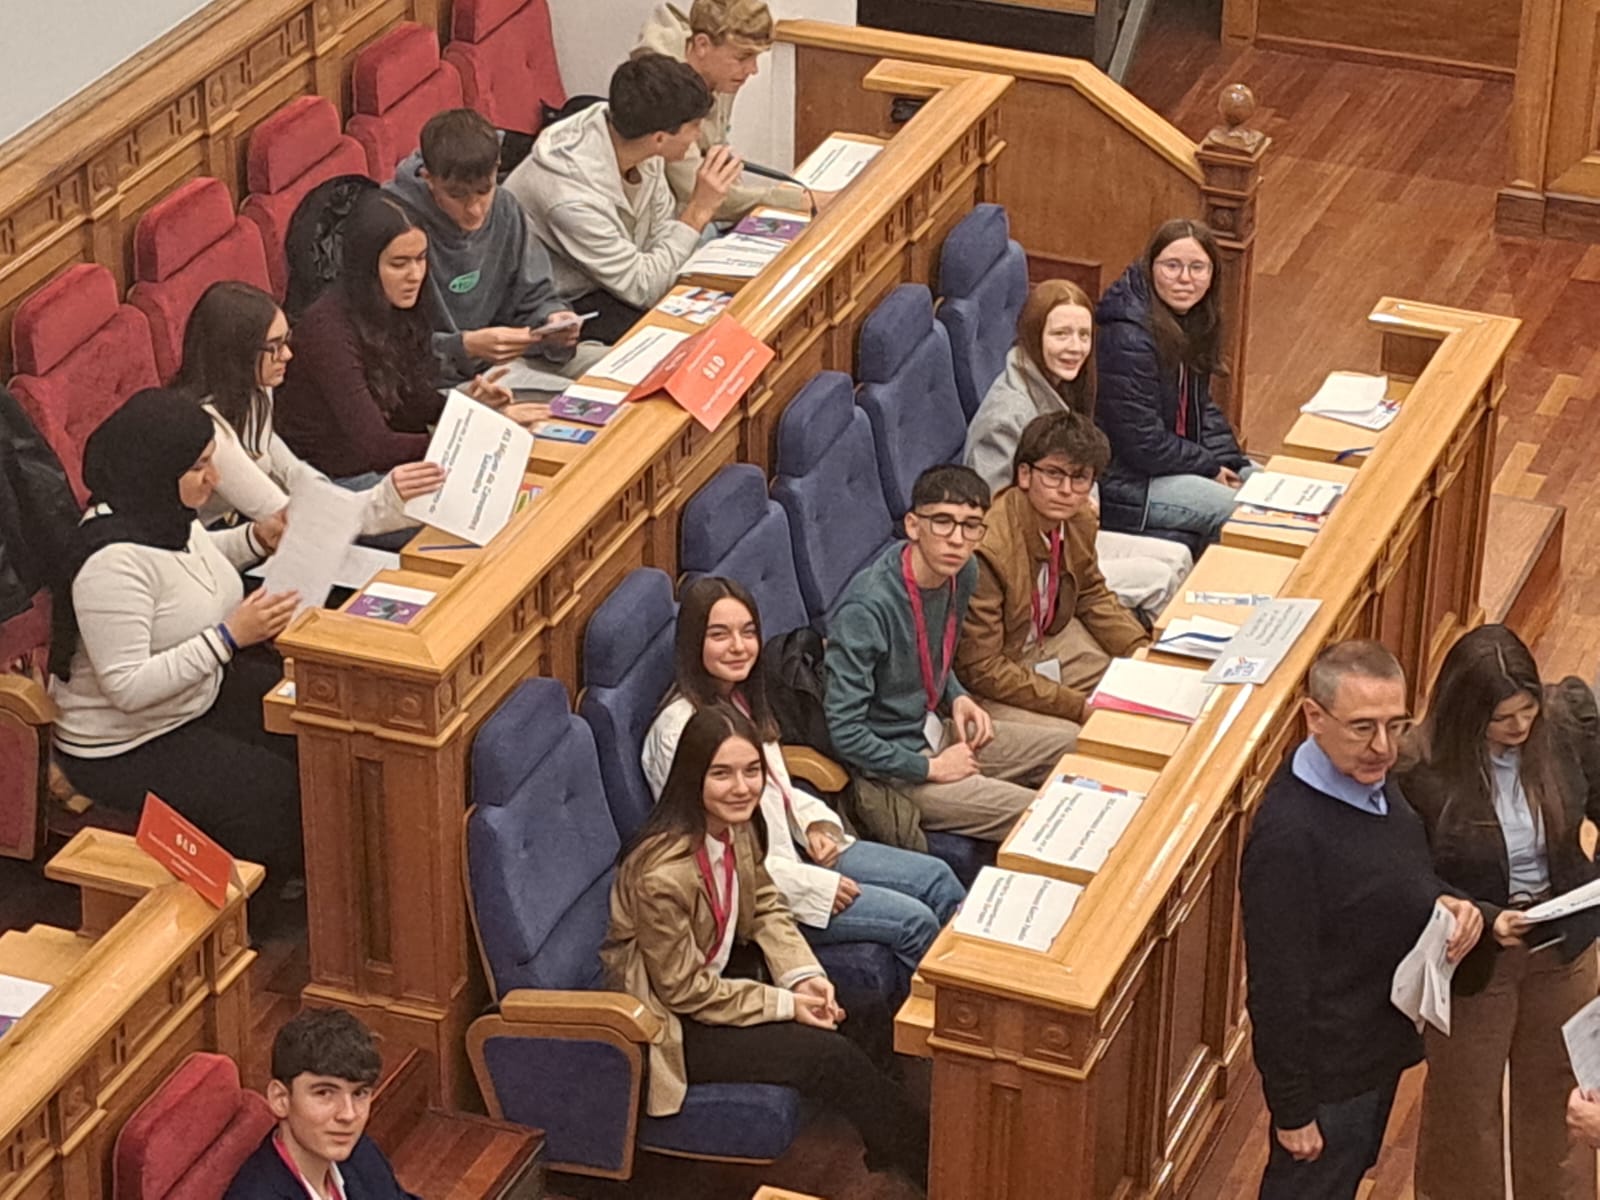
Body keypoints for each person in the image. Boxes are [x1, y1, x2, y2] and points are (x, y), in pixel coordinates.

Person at [602, 703, 929, 1187]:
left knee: (853, 1013)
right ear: (693, 777)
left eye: (752, 771)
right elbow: (684, 993)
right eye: (722, 774)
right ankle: (933, 1167)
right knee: (828, 1056)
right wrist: (785, 1004)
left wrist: (805, 976)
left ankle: (900, 1149)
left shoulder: (735, 827)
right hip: (671, 1022)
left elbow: (767, 906)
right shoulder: (660, 875)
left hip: (720, 976)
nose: (742, 787)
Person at [1240, 639, 1485, 1200]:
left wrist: (1444, 900)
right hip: (1330, 1082)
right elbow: (1278, 986)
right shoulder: (1290, 837)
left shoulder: (1372, 782)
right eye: (1362, 728)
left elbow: (1395, 873)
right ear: (1313, 718)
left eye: (1395, 726)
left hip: (1377, 1051)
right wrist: (1293, 1108)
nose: (1383, 747)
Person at [642, 576, 965, 974]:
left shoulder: (742, 698)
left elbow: (779, 790)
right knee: (915, 921)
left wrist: (814, 824)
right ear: (693, 643)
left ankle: (983, 994)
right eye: (719, 635)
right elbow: (710, 857)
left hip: (797, 853)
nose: (739, 646)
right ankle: (935, 1026)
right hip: (760, 894)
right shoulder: (680, 730)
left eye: (748, 632)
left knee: (937, 877)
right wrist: (815, 888)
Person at [47, 389, 303, 889]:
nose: (216, 479)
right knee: (278, 796)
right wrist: (228, 638)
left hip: (193, 697)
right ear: (158, 469)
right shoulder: (110, 564)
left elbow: (194, 560)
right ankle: (263, 909)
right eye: (200, 467)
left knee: (314, 730)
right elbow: (127, 687)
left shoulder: (160, 514)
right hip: (125, 744)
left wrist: (256, 539)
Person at [1398, 624, 1600, 1200]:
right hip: (1475, 960)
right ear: (1465, 714)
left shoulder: (1566, 725)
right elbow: (1410, 877)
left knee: (1566, 1101)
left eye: (1526, 710)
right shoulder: (1419, 768)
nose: (1519, 727)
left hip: (1564, 947)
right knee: (1466, 1112)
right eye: (1502, 718)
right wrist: (1487, 917)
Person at [824, 464, 1076, 844]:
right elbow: (845, 733)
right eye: (942, 522)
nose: (957, 539)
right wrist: (929, 767)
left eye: (971, 525)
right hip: (896, 766)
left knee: (1076, 744)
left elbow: (934, 652)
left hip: (940, 729)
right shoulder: (866, 609)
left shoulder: (964, 572)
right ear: (913, 526)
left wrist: (957, 696)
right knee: (1042, 817)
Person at [964, 279, 1192, 618]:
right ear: (1033, 335)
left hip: (1068, 534)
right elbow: (992, 518)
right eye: (1061, 335)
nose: (1075, 347)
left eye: (1083, 335)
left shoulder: (1061, 387)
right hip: (1030, 562)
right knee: (1158, 579)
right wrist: (1079, 508)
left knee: (1180, 558)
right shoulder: (1006, 418)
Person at [275, 192, 523, 486]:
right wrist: (465, 436)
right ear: (368, 266)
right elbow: (376, 447)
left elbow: (412, 397)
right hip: (333, 480)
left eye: (420, 259)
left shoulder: (399, 306)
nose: (415, 275)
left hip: (380, 465)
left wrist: (468, 410)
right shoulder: (326, 331)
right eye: (399, 263)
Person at [174, 280, 444, 539]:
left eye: (286, 341)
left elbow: (292, 471)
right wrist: (387, 497)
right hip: (221, 546)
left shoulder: (257, 387)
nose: (287, 355)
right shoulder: (207, 429)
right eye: (274, 347)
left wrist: (351, 496)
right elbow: (282, 514)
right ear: (236, 354)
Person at [506, 52, 743, 343]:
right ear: (660, 138)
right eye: (694, 127)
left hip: (615, 281)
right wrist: (698, 211)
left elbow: (659, 237)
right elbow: (644, 288)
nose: (698, 137)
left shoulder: (638, 140)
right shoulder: (569, 197)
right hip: (563, 310)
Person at [956, 412, 1149, 729]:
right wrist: (1075, 707)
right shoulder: (988, 552)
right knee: (1077, 729)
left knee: (1132, 687)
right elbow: (982, 667)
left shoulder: (1078, 519)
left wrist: (1137, 650)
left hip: (1047, 638)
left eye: (1079, 478)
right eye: (1053, 474)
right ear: (1024, 475)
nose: (1066, 490)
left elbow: (1090, 593)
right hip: (998, 669)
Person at [385, 107, 582, 382]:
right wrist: (462, 347)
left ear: (497, 168)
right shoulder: (393, 223)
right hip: (438, 382)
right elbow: (387, 347)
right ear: (428, 178)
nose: (475, 210)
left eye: (484, 190)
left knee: (618, 373)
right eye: (457, 195)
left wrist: (554, 320)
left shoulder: (506, 208)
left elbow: (536, 295)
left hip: (514, 359)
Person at [1095, 219, 1253, 543]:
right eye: (1172, 266)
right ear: (1150, 267)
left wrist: (1233, 461)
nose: (1185, 279)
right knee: (1244, 516)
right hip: (1128, 482)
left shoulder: (1190, 318)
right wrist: (1208, 467)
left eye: (1197, 267)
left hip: (1169, 464)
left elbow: (1200, 407)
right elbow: (1142, 443)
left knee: (1267, 489)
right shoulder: (1128, 337)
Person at [633, 0, 814, 221]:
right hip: (665, 220)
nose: (752, 70)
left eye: (755, 57)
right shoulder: (662, 87)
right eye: (742, 58)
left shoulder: (720, 73)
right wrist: (798, 201)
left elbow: (715, 151)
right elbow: (693, 191)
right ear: (702, 45)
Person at [224, 1008, 417, 1200]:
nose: (348, 1115)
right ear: (280, 1099)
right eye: (325, 1093)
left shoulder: (360, 1154)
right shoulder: (256, 1194)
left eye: (359, 1093)